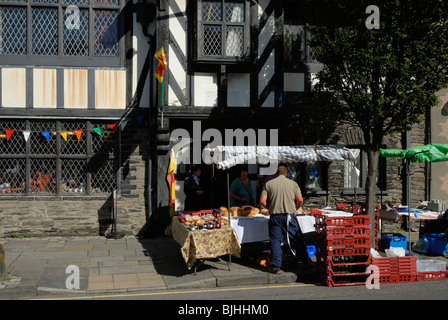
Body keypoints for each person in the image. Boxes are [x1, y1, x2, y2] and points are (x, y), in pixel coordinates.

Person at [259, 165, 311, 274]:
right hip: (289, 215)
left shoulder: (268, 184)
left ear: (276, 173)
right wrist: (295, 207)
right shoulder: (293, 183)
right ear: (286, 174)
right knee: (297, 239)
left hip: (275, 216)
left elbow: (262, 202)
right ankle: (307, 263)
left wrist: (270, 208)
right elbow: (300, 200)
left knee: (275, 240)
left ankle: (276, 266)